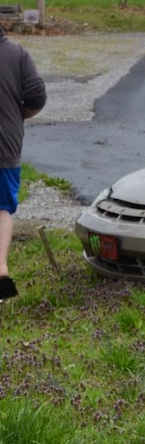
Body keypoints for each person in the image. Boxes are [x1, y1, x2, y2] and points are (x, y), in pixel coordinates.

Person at [0, 26, 47, 299]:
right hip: (4, 146)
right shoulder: (17, 54)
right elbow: (36, 97)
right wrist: (18, 116)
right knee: (2, 208)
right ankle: (1, 269)